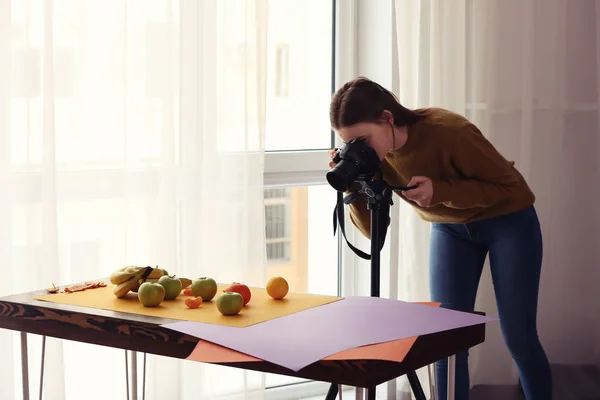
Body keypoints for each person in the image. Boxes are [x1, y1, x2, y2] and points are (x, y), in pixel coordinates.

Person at [327, 76, 552, 400]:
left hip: (508, 221)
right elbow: (373, 235)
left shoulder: (450, 131)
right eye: (351, 144)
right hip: (449, 226)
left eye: (362, 140)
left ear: (388, 119)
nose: (359, 151)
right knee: (446, 341)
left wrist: (441, 191)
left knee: (519, 338)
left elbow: (513, 188)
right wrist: (350, 183)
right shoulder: (377, 157)